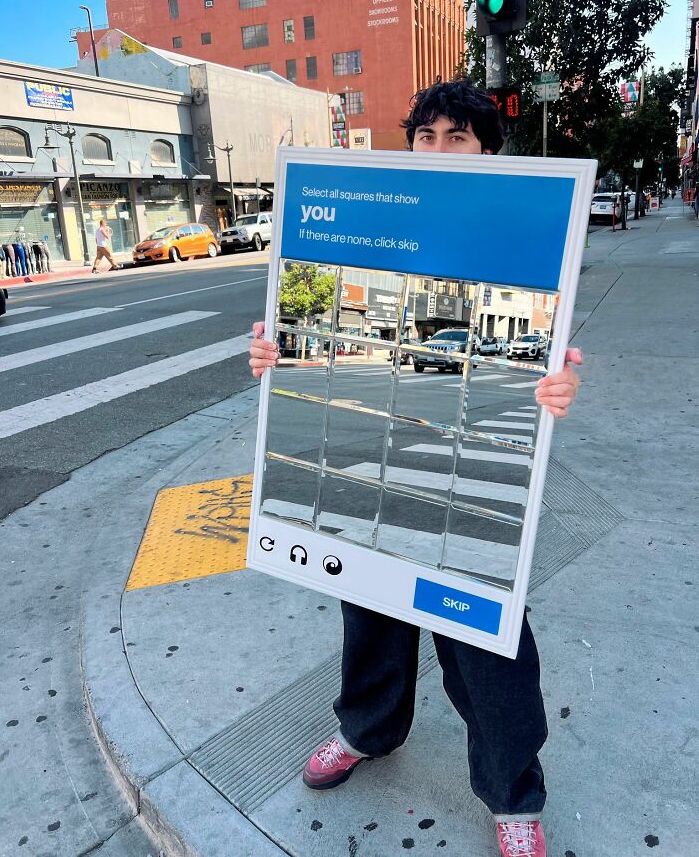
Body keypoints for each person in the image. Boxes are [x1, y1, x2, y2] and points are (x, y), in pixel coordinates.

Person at [249, 79, 583, 857]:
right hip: (380, 454)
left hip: (473, 473)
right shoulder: (371, 219)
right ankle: (367, 729)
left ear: (487, 150)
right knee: (369, 610)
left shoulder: (525, 224)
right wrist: (276, 351)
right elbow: (315, 324)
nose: (437, 148)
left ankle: (512, 793)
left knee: (487, 640)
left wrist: (563, 382)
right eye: (424, 134)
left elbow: (552, 344)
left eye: (456, 135)